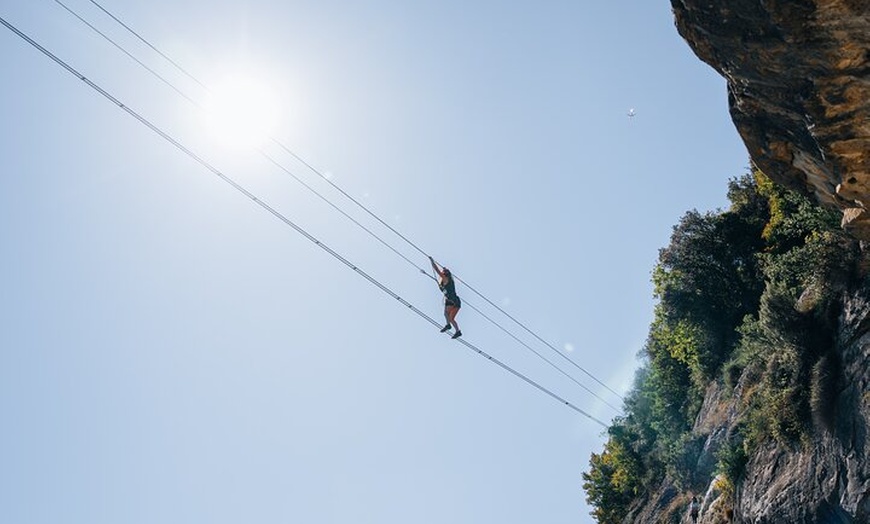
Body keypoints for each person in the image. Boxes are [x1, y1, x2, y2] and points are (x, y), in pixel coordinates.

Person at [429, 256, 462, 339]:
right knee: (451, 318)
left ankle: (448, 325)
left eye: (443, 272)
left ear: (444, 274)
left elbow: (437, 270)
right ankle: (458, 331)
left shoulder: (445, 278)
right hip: (456, 301)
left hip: (452, 300)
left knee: (446, 314)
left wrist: (432, 261)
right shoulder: (448, 280)